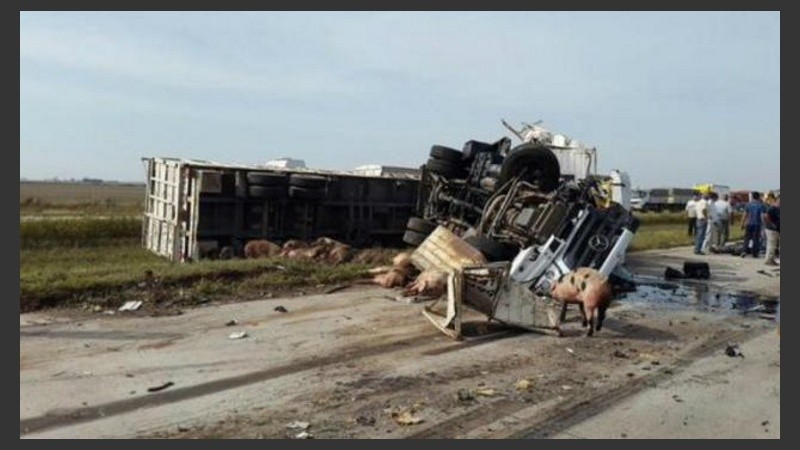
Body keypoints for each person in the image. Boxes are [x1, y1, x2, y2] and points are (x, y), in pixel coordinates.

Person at [740, 191, 767, 258]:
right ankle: (754, 253)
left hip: (748, 223)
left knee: (747, 238)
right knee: (756, 239)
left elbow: (745, 215)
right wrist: (764, 225)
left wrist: (742, 223)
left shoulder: (748, 204)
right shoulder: (760, 205)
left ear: (752, 197)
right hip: (757, 224)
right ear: (758, 197)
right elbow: (762, 216)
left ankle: (744, 251)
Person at [763, 194, 780, 265]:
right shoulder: (772, 208)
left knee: (774, 245)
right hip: (771, 230)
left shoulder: (778, 209)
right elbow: (765, 216)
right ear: (777, 200)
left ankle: (771, 259)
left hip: (776, 229)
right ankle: (768, 260)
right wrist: (771, 224)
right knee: (771, 245)